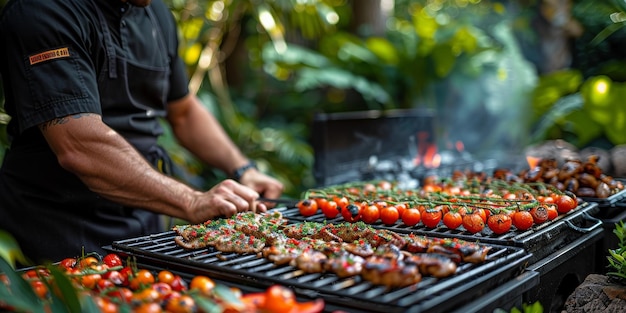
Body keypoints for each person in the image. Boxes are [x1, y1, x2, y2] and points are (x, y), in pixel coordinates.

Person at [0, 0, 284, 264]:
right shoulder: (44, 10)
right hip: (56, 227)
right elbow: (79, 146)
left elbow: (183, 112)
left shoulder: (156, 13)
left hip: (142, 220)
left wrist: (243, 168)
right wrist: (191, 200)